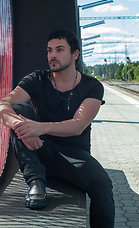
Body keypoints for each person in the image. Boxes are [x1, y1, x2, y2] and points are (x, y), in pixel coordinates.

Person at [0, 29, 115, 228]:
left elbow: (77, 126)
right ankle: (36, 181)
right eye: (49, 50)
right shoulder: (37, 79)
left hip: (74, 156)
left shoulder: (92, 86)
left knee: (103, 185)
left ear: (75, 54)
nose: (52, 55)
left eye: (60, 49)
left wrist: (38, 127)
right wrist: (20, 126)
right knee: (18, 109)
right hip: (39, 149)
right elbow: (4, 104)